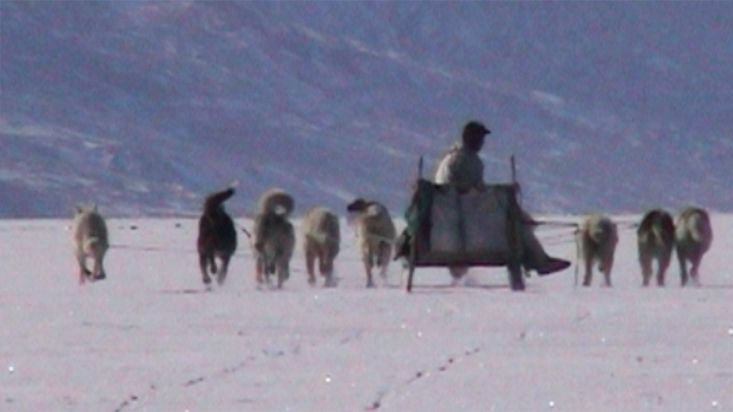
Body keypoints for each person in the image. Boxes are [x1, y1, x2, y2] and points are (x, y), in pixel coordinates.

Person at [435, 121, 570, 283]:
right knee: (515, 219)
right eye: (480, 138)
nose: (482, 143)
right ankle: (538, 260)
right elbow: (469, 193)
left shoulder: (453, 158)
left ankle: (537, 258)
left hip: (454, 218)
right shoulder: (464, 160)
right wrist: (504, 193)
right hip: (466, 223)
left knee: (516, 216)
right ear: (470, 138)